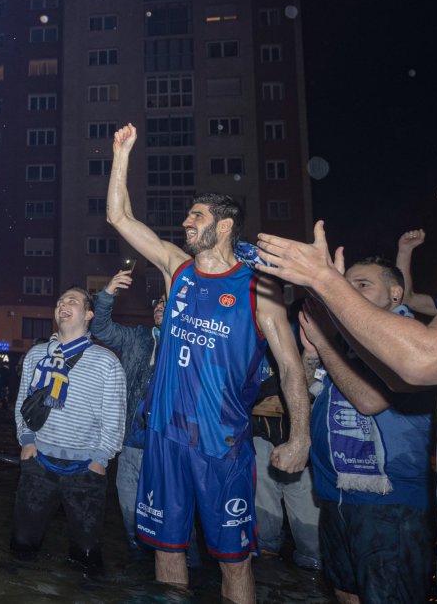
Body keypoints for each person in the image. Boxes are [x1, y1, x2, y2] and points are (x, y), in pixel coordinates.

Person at [254, 141, 437, 603]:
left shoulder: (404, 330)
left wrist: (325, 281)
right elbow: (401, 377)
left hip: (402, 509)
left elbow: (409, 369)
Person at [106, 123, 310, 604]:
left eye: (195, 216)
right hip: (164, 439)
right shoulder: (176, 268)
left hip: (222, 445)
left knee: (233, 562)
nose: (185, 224)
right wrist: (121, 155)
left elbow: (291, 366)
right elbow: (119, 217)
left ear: (223, 226)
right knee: (166, 551)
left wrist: (300, 436)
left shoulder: (258, 288)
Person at [295, 258, 433, 603]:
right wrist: (312, 354)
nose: (350, 293)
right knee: (345, 593)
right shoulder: (348, 345)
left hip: (388, 503)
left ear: (396, 293)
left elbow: (370, 400)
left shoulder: (406, 339)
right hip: (335, 494)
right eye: (347, 285)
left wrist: (323, 344)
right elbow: (310, 393)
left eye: (363, 285)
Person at [90, 269, 205, 565]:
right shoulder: (136, 338)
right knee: (132, 520)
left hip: (171, 448)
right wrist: (108, 294)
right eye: (157, 302)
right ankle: (139, 571)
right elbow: (100, 328)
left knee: (178, 524)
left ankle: (188, 579)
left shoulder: (192, 346)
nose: (158, 306)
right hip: (130, 446)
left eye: (167, 303)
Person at [12, 287, 126, 572]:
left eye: (72, 301)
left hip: (86, 470)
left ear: (88, 314)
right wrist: (26, 441)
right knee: (22, 547)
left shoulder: (107, 362)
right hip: (38, 463)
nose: (63, 303)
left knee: (86, 556)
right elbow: (22, 403)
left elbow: (115, 416)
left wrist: (100, 460)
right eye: (61, 300)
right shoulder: (37, 354)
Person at [249, 355, 321, 570]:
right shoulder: (250, 333)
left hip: (305, 439)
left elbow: (318, 384)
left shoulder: (310, 330)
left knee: (313, 544)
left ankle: (311, 583)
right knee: (263, 538)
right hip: (258, 434)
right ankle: (265, 582)